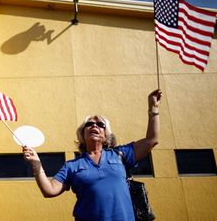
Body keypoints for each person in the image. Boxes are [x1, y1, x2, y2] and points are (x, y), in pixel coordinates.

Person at [22, 89, 162, 221]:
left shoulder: (120, 154)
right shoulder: (72, 165)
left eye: (100, 124)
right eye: (89, 124)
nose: (95, 126)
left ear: (106, 134)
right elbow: (50, 190)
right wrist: (36, 165)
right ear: (82, 133)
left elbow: (152, 140)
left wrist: (153, 108)